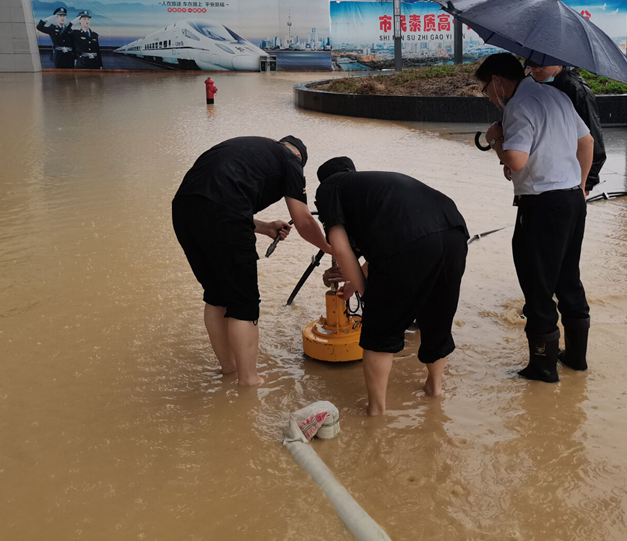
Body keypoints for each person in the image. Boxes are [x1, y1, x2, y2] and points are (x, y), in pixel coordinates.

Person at [172, 136, 332, 386]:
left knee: (216, 295)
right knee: (243, 304)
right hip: (223, 212)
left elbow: (214, 200)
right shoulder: (291, 161)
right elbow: (303, 220)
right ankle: (249, 380)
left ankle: (228, 369)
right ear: (299, 158)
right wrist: (329, 248)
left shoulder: (248, 148)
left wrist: (265, 227)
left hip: (183, 211)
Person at [314, 157, 468, 416]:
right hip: (453, 230)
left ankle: (376, 411)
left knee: (379, 333)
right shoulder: (374, 187)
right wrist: (354, 282)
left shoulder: (330, 187)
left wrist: (367, 295)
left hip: (409, 242)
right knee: (436, 318)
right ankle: (434, 389)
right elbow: (387, 245)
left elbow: (340, 248)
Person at [476, 54, 595, 383]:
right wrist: (581, 186)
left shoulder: (519, 105)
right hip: (572, 199)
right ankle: (575, 359)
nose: (488, 96)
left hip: (542, 207)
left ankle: (542, 369)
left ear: (498, 81)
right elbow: (586, 143)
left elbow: (516, 159)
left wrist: (495, 139)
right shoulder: (556, 95)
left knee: (537, 284)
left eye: (487, 89)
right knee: (568, 279)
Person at [524, 60, 607, 192]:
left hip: (568, 176)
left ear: (558, 63)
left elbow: (592, 139)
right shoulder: (535, 84)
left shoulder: (576, 90)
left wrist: (586, 184)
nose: (536, 70)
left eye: (542, 65)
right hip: (542, 171)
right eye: (532, 65)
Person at [36, 5, 74, 69]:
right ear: (56, 17)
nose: (62, 18)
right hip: (59, 56)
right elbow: (39, 27)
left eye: (64, 16)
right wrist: (50, 18)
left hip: (69, 56)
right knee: (58, 75)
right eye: (60, 16)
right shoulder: (52, 28)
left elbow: (73, 44)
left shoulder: (69, 29)